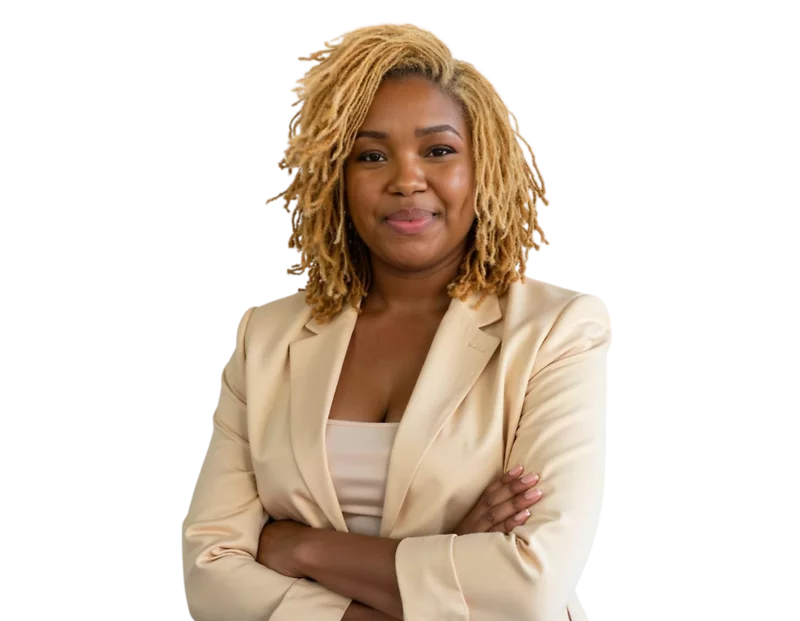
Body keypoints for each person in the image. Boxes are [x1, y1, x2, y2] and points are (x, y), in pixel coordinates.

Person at [182, 21, 610, 621]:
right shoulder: (266, 337)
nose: (406, 180)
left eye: (438, 150)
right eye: (372, 155)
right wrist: (449, 561)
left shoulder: (556, 332)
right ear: (336, 178)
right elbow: (209, 576)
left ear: (484, 167)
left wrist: (300, 547)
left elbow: (531, 586)